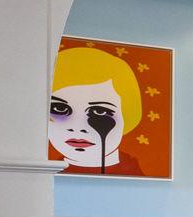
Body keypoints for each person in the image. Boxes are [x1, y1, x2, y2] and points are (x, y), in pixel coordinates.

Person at [48, 45, 146, 175]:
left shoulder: (133, 174)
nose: (78, 127)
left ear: (126, 117)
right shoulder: (45, 178)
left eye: (99, 112)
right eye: (59, 109)